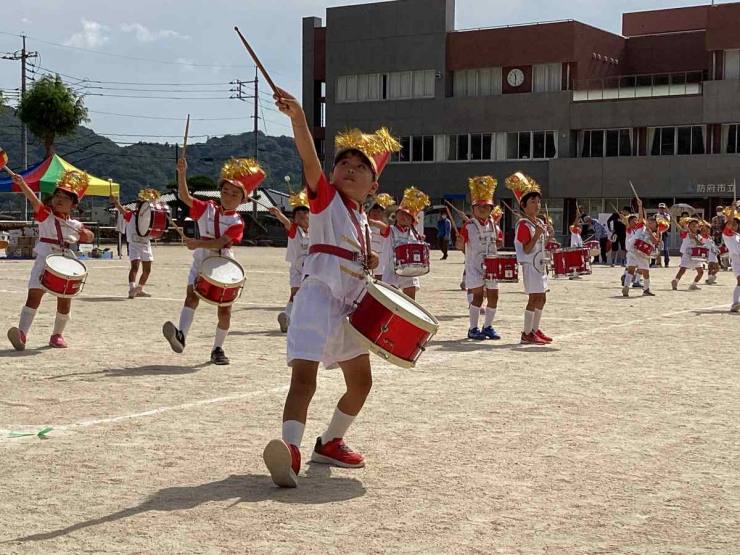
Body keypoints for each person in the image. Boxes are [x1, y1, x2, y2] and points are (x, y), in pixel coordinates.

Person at [263, 86, 399, 489]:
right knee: (304, 379)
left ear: (373, 188)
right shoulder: (325, 200)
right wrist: (300, 119)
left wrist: (368, 260)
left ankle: (331, 440)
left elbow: (352, 255)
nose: (350, 168)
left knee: (362, 383)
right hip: (318, 298)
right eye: (344, 162)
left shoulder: (360, 218)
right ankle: (290, 450)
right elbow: (308, 159)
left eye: (361, 166)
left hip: (349, 311)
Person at [162, 155, 262, 365]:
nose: (228, 195)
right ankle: (181, 336)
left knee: (225, 309)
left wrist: (198, 243)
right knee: (191, 296)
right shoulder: (207, 207)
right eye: (225, 191)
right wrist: (182, 173)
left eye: (234, 193)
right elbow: (184, 196)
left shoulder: (237, 221)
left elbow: (221, 242)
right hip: (201, 259)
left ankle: (218, 348)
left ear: (243, 200)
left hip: (223, 261)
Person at [7, 171, 94, 350]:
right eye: (57, 195)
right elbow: (34, 201)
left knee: (64, 300)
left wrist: (86, 235)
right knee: (34, 295)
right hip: (45, 258)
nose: (59, 199)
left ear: (73, 205)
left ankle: (57, 335)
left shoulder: (76, 225)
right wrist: (23, 184)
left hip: (67, 260)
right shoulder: (45, 215)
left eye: (65, 198)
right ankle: (22, 334)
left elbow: (89, 237)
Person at [507, 172, 552, 345]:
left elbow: (540, 245)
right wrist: (537, 236)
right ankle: (526, 333)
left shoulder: (537, 223)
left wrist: (547, 237)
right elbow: (526, 248)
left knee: (542, 298)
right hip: (531, 266)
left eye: (538, 201)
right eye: (533, 201)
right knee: (533, 298)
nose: (537, 204)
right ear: (524, 205)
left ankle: (534, 328)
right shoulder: (523, 225)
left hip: (540, 266)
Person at [458, 176, 502, 340]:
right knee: (477, 296)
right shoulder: (468, 226)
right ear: (473, 208)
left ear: (491, 208)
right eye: (479, 207)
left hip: (491, 266)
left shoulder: (495, 225)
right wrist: (460, 242)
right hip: (475, 266)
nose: (483, 209)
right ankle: (473, 328)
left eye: (486, 207)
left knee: (494, 295)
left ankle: (488, 326)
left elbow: (500, 241)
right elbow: (459, 246)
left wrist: (499, 241)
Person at [375, 186, 430, 299]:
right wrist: (371, 221)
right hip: (392, 269)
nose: (403, 217)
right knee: (390, 300)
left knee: (411, 300)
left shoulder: (414, 234)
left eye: (407, 216)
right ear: (396, 215)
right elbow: (382, 227)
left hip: (410, 270)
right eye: (401, 214)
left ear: (412, 220)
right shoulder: (390, 230)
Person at [270, 190, 310, 333]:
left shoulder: (315, 231)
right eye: (298, 215)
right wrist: (278, 214)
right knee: (295, 294)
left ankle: (292, 318)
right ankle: (287, 316)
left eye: (305, 213)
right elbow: (285, 222)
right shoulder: (294, 230)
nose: (302, 217)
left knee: (306, 296)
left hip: (312, 268)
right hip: (298, 268)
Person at [111, 189, 160, 299]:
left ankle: (140, 288)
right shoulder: (131, 215)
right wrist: (116, 202)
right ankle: (132, 289)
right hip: (134, 244)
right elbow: (121, 210)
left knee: (147, 269)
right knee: (135, 267)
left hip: (145, 244)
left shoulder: (150, 217)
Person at [622, 204, 663, 297]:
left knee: (645, 272)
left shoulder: (657, 233)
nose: (650, 223)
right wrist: (640, 206)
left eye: (653, 223)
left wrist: (650, 232)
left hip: (644, 254)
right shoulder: (641, 227)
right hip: (634, 250)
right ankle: (626, 287)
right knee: (630, 270)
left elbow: (656, 242)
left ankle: (646, 289)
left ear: (656, 225)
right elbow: (641, 216)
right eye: (649, 221)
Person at [672, 216, 704, 291]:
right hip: (687, 254)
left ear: (698, 227)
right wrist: (675, 222)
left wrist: (695, 238)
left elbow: (701, 244)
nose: (694, 226)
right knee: (682, 269)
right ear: (689, 226)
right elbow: (679, 228)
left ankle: (694, 285)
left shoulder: (699, 236)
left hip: (696, 255)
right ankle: (675, 281)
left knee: (701, 272)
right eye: (692, 225)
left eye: (695, 225)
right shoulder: (685, 234)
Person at [367, 193, 395, 281]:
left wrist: (372, 222)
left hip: (380, 258)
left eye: (378, 212)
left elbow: (385, 229)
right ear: (369, 212)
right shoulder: (364, 224)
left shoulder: (382, 225)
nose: (376, 213)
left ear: (382, 214)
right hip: (367, 256)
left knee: (379, 279)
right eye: (373, 211)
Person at [721, 207, 740, 311]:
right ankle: (735, 304)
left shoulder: (737, 236)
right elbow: (730, 222)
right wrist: (733, 208)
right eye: (732, 224)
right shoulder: (727, 234)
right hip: (737, 261)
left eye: (736, 224)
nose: (734, 225)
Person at [700, 219, 720, 285]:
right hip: (708, 253)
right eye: (705, 230)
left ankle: (710, 278)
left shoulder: (710, 237)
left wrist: (716, 249)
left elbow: (713, 245)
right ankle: (709, 279)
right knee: (711, 267)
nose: (707, 231)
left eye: (708, 230)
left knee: (717, 268)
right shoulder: (702, 237)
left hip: (713, 253)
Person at [656, 203, 672, 267]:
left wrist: (664, 216)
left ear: (665, 209)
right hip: (657, 232)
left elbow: (668, 222)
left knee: (665, 248)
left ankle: (666, 262)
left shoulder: (667, 215)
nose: (661, 209)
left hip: (664, 232)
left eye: (663, 208)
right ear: (658, 208)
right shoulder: (656, 215)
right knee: (656, 248)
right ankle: (656, 262)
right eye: (660, 208)